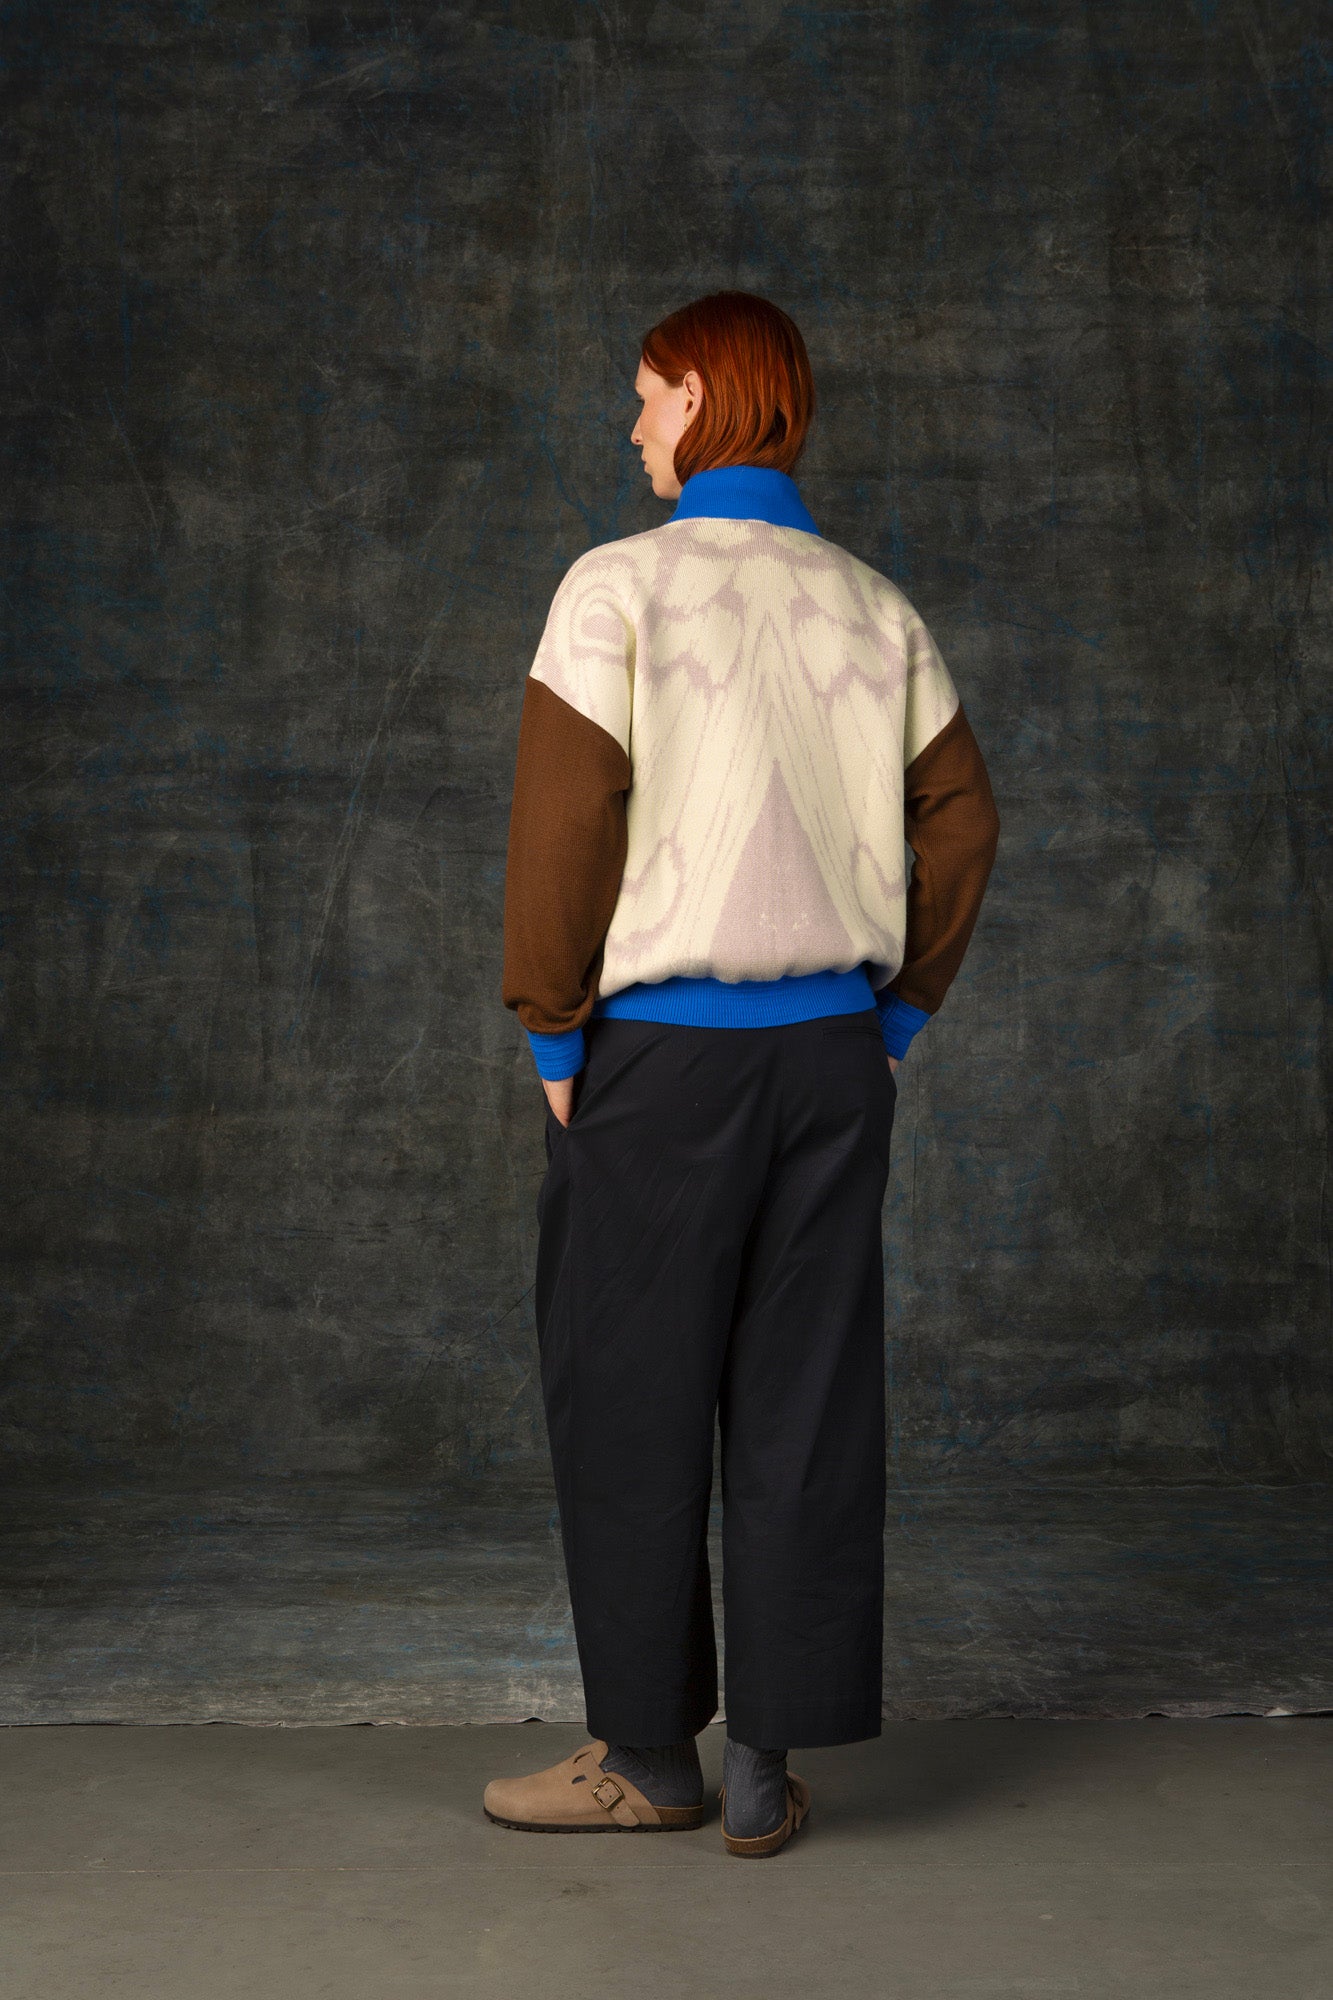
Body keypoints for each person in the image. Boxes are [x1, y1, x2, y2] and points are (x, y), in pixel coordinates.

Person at [488, 291, 1000, 1856]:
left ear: (705, 394)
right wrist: (894, 1015)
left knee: (630, 1394)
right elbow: (960, 822)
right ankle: (768, 1764)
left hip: (663, 1066)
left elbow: (567, 827)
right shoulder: (872, 603)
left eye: (643, 397)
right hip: (834, 1064)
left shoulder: (614, 591)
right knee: (805, 1398)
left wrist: (550, 1029)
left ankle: (648, 1757)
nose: (631, 426)